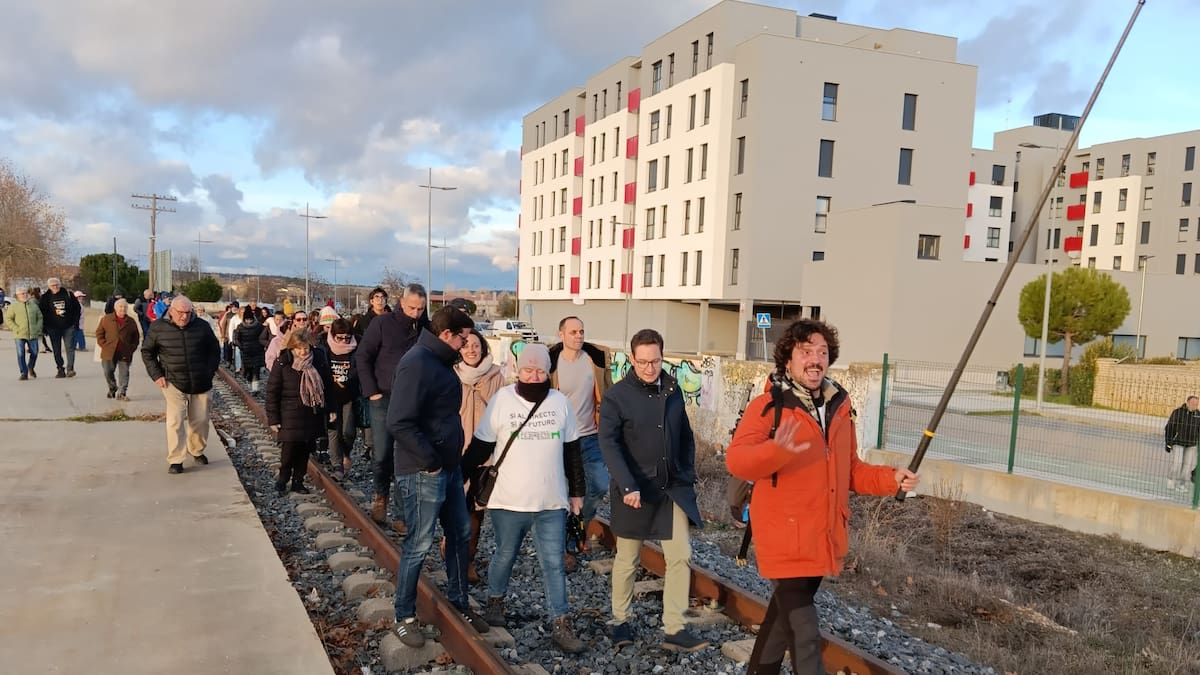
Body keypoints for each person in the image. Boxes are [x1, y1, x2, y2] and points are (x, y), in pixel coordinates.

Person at [726, 319, 919, 675]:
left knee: (782, 621)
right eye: (806, 352)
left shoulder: (838, 406)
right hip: (785, 537)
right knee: (805, 632)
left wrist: (892, 479)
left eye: (822, 352)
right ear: (789, 360)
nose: (815, 359)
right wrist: (775, 451)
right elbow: (737, 460)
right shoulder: (768, 406)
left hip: (822, 534)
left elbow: (851, 471)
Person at [461, 343, 586, 653]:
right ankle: (495, 602)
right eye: (528, 369)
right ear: (519, 370)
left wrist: (577, 493)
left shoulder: (560, 403)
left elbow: (572, 452)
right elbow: (480, 447)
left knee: (554, 564)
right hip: (508, 502)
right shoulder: (502, 400)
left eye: (540, 370)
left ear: (547, 371)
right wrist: (456, 475)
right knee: (505, 554)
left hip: (551, 503)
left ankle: (560, 622)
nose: (533, 375)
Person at [599, 328, 708, 652]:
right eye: (643, 362)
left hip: (671, 489)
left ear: (663, 356)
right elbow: (609, 443)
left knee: (680, 556)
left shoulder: (674, 390)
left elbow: (686, 436)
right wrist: (627, 484)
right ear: (632, 359)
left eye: (656, 361)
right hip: (634, 490)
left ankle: (674, 628)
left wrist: (686, 475)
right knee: (628, 558)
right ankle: (620, 621)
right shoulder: (616, 396)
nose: (650, 368)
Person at [388, 306, 488, 648]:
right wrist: (430, 460)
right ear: (447, 334)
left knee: (460, 531)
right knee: (419, 542)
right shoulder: (418, 363)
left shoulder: (439, 360)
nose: (466, 343)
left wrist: (449, 460)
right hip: (422, 470)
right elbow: (398, 421)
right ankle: (403, 615)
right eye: (463, 337)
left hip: (448, 467)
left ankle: (460, 601)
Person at [357, 283, 429, 530]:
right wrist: (372, 392)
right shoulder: (382, 324)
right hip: (383, 398)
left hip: (413, 402)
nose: (416, 313)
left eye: (420, 309)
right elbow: (363, 356)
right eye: (412, 308)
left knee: (405, 457)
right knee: (382, 453)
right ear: (402, 302)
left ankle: (401, 514)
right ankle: (380, 497)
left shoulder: (425, 329)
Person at [548, 315, 613, 566]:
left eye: (581, 331)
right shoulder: (551, 363)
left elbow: (607, 393)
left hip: (591, 435)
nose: (578, 336)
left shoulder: (595, 360)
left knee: (598, 484)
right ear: (561, 334)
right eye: (573, 332)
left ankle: (578, 521)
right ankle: (565, 541)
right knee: (562, 491)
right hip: (561, 440)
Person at [141, 296, 221, 474]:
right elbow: (147, 352)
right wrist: (157, 374)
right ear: (171, 310)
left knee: (200, 420)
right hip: (173, 381)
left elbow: (214, 350)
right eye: (180, 313)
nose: (184, 317)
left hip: (202, 380)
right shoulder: (158, 327)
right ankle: (176, 458)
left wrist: (210, 371)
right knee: (175, 420)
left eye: (187, 313)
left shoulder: (202, 327)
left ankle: (196, 449)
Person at [451, 328, 505, 583]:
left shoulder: (496, 376)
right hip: (456, 449)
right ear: (459, 349)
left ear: (483, 348)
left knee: (476, 509)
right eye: (466, 346)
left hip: (485, 452)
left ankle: (468, 559)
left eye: (476, 345)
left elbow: (500, 413)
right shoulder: (451, 374)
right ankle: (451, 547)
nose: (471, 350)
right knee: (455, 505)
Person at [265, 328, 335, 495]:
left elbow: (328, 387)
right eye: (299, 348)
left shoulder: (318, 362)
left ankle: (298, 481)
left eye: (306, 348)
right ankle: (283, 478)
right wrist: (273, 418)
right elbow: (272, 391)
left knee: (305, 449)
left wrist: (331, 409)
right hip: (289, 413)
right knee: (289, 449)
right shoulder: (283, 363)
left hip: (312, 412)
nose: (303, 352)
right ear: (292, 348)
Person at [325, 318, 359, 481]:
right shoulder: (325, 346)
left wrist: (350, 377)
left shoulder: (356, 347)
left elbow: (360, 366)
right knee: (333, 430)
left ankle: (346, 452)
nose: (344, 341)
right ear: (333, 335)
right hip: (330, 395)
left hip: (349, 395)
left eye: (347, 338)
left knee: (348, 431)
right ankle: (337, 465)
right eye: (340, 338)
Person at [95, 297, 140, 400]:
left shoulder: (131, 321)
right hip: (109, 351)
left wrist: (132, 348)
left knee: (124, 373)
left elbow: (136, 337)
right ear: (115, 308)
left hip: (125, 351)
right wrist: (103, 344)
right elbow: (99, 333)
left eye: (125, 307)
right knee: (108, 371)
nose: (123, 309)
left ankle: (122, 393)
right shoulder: (106, 319)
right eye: (120, 307)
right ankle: (112, 387)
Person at [39, 277, 81, 378]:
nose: (55, 287)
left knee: (70, 348)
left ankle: (70, 368)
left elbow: (77, 308)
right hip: (53, 328)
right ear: (49, 287)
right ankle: (60, 368)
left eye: (57, 285)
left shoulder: (68, 294)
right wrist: (44, 327)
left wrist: (75, 323)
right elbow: (42, 313)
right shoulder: (45, 297)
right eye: (53, 285)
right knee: (56, 350)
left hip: (68, 326)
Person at [4, 287, 43, 380]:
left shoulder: (33, 305)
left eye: (25, 293)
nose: (24, 295)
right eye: (22, 293)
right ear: (17, 296)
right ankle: (23, 373)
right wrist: (15, 328)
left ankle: (30, 367)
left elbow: (40, 317)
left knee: (34, 353)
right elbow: (8, 319)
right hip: (19, 334)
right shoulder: (13, 306)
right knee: (21, 354)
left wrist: (38, 328)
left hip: (33, 333)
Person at [1165, 396, 1200, 493]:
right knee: (1177, 463)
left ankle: (1182, 484)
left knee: (1187, 466)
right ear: (1187, 403)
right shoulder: (1178, 412)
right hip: (1178, 443)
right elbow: (1170, 427)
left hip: (1191, 444)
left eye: (1197, 404)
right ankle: (1171, 480)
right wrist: (1168, 442)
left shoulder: (1198, 415)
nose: (1195, 406)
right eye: (1193, 403)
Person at [235, 306, 267, 392]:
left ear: (253, 319)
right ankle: (249, 382)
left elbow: (264, 335)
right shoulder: (240, 327)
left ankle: (255, 387)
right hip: (246, 352)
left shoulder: (259, 326)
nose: (248, 321)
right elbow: (237, 338)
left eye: (250, 319)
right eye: (247, 320)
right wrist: (240, 346)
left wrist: (263, 345)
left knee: (256, 369)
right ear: (244, 319)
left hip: (257, 351)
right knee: (248, 370)